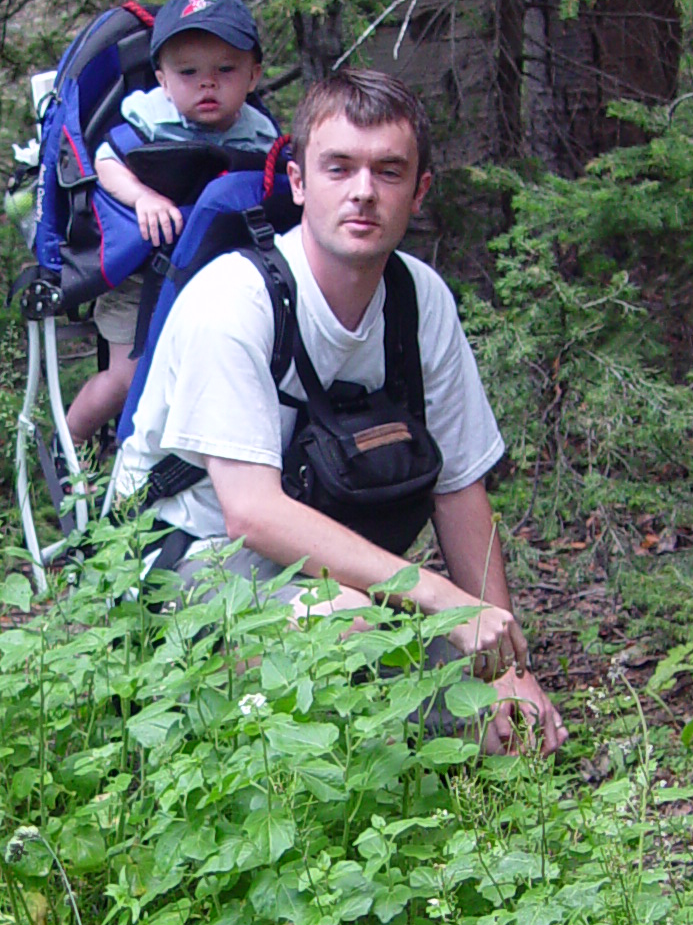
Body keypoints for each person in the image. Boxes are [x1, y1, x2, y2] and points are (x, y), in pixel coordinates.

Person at [112, 65, 565, 753]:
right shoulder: (232, 301)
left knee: (513, 735)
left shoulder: (421, 300)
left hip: (327, 574)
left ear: (420, 191)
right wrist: (443, 600)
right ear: (297, 183)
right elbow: (251, 512)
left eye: (388, 171)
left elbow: (460, 488)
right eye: (338, 167)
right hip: (183, 562)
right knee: (347, 627)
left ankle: (387, 742)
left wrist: (505, 666)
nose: (362, 192)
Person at [63, 0, 280, 446]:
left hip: (216, 273)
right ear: (162, 79)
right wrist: (142, 197)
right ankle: (73, 440)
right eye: (188, 72)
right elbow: (103, 163)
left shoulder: (260, 134)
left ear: (253, 75)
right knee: (129, 377)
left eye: (226, 70)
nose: (208, 84)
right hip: (141, 279)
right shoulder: (147, 119)